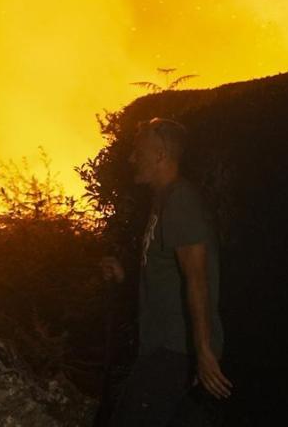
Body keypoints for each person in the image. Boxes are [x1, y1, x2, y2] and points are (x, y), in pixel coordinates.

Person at [99, 117, 232, 426]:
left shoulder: (180, 200)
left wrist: (203, 351)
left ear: (160, 155)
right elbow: (167, 274)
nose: (132, 159)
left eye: (138, 151)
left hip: (174, 350)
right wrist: (125, 276)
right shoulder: (163, 201)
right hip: (165, 347)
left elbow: (197, 279)